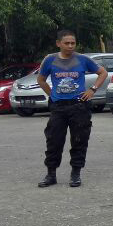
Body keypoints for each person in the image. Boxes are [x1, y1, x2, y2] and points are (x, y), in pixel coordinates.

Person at [36, 29, 106, 188]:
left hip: (79, 106)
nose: (70, 46)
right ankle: (51, 174)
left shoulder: (83, 59)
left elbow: (102, 73)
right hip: (58, 107)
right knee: (54, 140)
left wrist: (92, 90)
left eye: (73, 43)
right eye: (66, 43)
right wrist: (52, 94)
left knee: (79, 140)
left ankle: (75, 173)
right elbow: (41, 79)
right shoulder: (50, 60)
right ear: (58, 43)